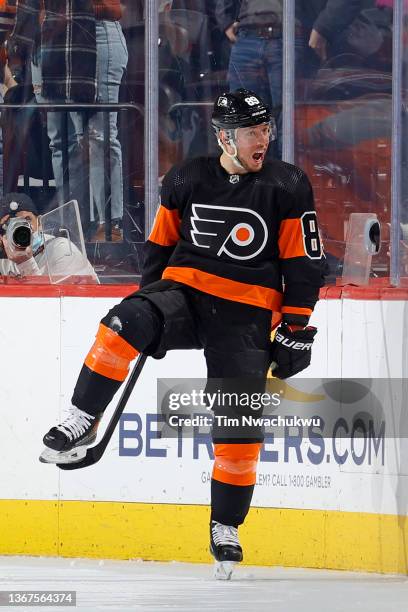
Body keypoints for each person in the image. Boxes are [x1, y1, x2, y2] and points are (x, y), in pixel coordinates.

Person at [39, 89, 325, 579]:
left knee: (238, 428)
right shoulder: (187, 176)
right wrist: (149, 311)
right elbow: (159, 247)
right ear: (224, 137)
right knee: (120, 324)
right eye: (253, 131)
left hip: (248, 313)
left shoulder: (288, 184)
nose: (264, 139)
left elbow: (303, 262)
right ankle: (82, 418)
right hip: (184, 295)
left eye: (266, 129)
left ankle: (226, 525)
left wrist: (295, 326)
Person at [8, 0, 128, 241]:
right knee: (60, 141)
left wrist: (63, 11)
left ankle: (109, 226)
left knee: (99, 136)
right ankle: (71, 221)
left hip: (94, 35)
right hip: (49, 42)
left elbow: (115, 8)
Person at [216, 0, 364, 158]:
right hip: (251, 34)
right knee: (246, 123)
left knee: (287, 126)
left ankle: (282, 179)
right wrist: (225, 19)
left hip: (287, 34)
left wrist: (324, 28)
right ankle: (259, 180)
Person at [0, 192, 98, 281]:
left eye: (27, 220)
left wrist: (25, 264)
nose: (21, 229)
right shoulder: (4, 261)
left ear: (39, 222)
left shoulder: (62, 249)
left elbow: (61, 297)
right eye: (8, 225)